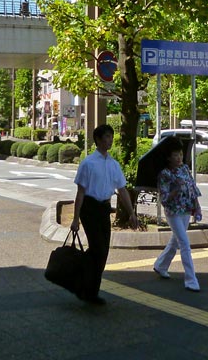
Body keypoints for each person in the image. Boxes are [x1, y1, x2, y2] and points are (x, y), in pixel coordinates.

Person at [69, 124, 138, 305]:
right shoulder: (88, 163)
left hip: (104, 208)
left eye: (111, 137)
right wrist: (76, 218)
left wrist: (131, 213)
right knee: (98, 248)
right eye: (106, 137)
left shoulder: (114, 165)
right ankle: (86, 286)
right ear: (98, 140)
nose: (109, 140)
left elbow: (122, 190)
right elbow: (80, 192)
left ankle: (90, 290)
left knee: (103, 250)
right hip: (89, 209)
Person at [152, 137, 202, 292]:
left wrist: (197, 207)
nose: (179, 157)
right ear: (168, 157)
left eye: (180, 154)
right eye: (175, 155)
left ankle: (161, 265)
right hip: (173, 212)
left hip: (186, 210)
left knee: (175, 241)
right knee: (184, 244)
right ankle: (191, 280)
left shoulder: (185, 169)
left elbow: (193, 189)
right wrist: (175, 190)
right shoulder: (164, 174)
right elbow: (165, 199)